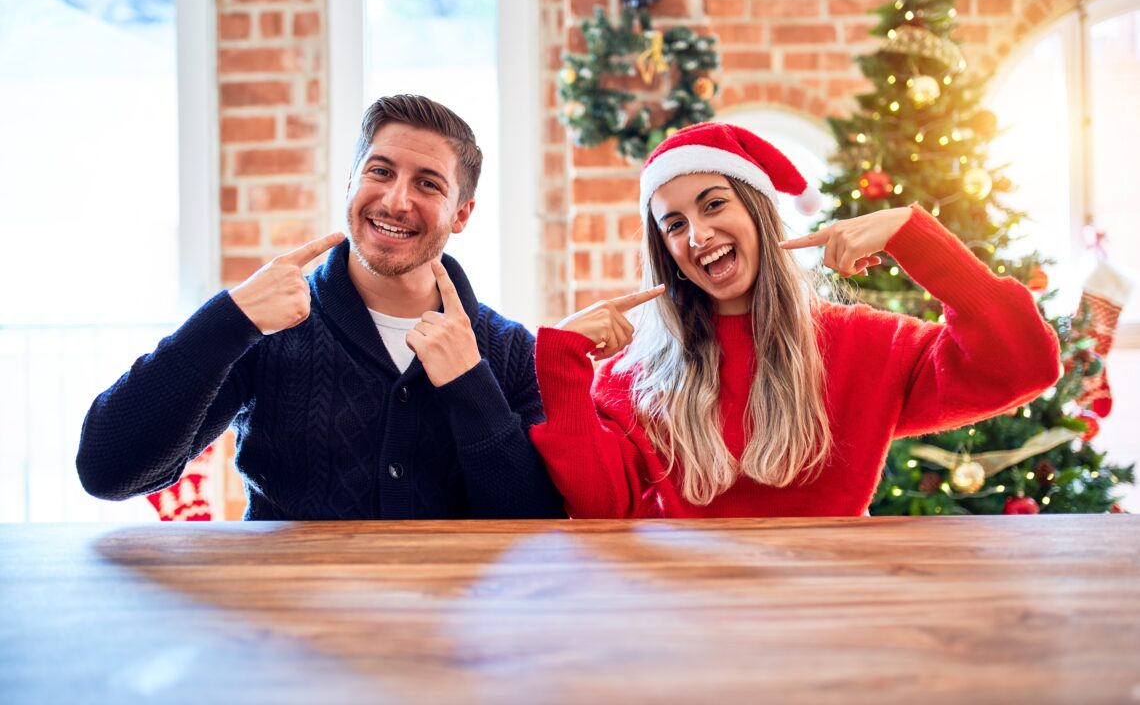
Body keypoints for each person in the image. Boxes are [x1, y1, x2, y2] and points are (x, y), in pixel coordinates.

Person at [529, 122, 1061, 518]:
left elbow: (1022, 365)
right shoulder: (631, 378)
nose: (697, 235)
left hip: (827, 615)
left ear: (758, 213)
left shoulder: (864, 343)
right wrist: (559, 361)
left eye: (714, 205)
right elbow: (600, 510)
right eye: (674, 224)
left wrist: (912, 236)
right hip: (687, 625)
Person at [77, 94, 563, 520]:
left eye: (428, 184)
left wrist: (470, 386)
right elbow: (108, 471)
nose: (396, 200)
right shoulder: (267, 327)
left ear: (461, 214)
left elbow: (536, 525)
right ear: (350, 183)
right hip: (287, 619)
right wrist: (229, 318)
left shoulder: (510, 350)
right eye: (381, 171)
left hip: (451, 622)